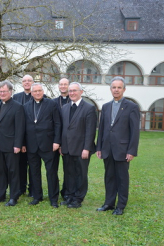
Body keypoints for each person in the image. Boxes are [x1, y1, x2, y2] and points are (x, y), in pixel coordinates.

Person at [96, 77, 140, 215]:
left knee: (122, 178)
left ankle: (120, 206)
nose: (116, 90)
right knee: (109, 177)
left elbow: (134, 131)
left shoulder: (132, 107)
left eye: (119, 87)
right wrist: (99, 147)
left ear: (124, 89)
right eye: (114, 87)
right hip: (107, 150)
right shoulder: (106, 106)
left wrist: (131, 151)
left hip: (122, 150)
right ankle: (109, 203)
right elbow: (102, 128)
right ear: (110, 89)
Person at [23, 83, 61, 208]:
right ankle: (37, 196)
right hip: (32, 144)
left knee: (51, 172)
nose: (37, 93)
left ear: (43, 91)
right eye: (35, 91)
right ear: (32, 93)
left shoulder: (51, 104)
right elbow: (23, 127)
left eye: (39, 91)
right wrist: (23, 143)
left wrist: (56, 141)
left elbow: (57, 124)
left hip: (49, 144)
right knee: (34, 172)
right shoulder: (26, 106)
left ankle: (53, 198)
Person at [0, 81, 25, 206]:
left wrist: (18, 145)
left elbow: (20, 128)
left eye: (4, 91)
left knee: (13, 172)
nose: (2, 93)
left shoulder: (17, 106)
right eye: (0, 91)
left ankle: (13, 197)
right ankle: (0, 195)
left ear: (10, 92)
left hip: (11, 146)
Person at [59, 82, 97, 208]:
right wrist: (61, 145)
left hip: (82, 149)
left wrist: (86, 148)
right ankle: (69, 196)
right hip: (67, 148)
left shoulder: (89, 108)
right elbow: (63, 128)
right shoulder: (64, 108)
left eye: (75, 90)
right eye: (70, 91)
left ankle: (78, 198)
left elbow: (90, 131)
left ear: (81, 92)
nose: (72, 93)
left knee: (80, 174)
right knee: (68, 173)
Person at [13, 74, 34, 196]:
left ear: (33, 82)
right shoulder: (16, 97)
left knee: (33, 166)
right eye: (24, 81)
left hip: (33, 138)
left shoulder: (39, 95)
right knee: (20, 165)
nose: (27, 82)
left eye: (29, 80)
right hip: (20, 138)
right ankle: (21, 188)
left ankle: (32, 189)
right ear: (22, 83)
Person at [52, 78, 71, 201]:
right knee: (53, 169)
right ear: (58, 86)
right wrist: (57, 142)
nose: (63, 86)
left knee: (68, 169)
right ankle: (54, 192)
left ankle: (67, 191)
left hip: (69, 141)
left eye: (65, 84)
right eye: (61, 84)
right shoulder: (53, 102)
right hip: (54, 141)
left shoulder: (73, 100)